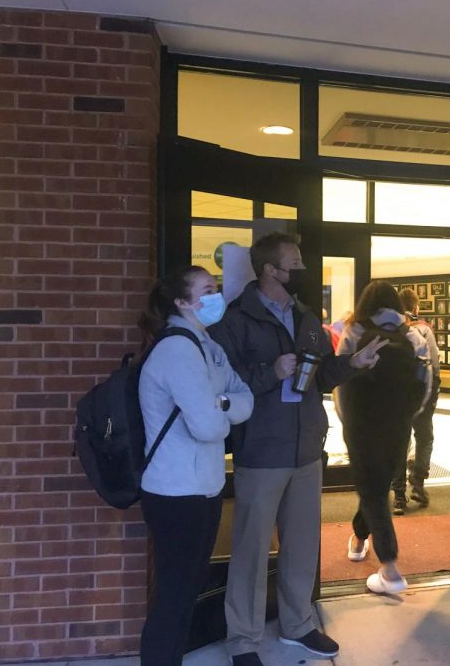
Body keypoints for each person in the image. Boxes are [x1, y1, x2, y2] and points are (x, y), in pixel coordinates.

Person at [208, 232, 386, 666]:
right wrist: (270, 371)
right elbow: (223, 383)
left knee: (303, 545)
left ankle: (298, 624)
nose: (302, 270)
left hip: (307, 449)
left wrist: (353, 365)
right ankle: (243, 640)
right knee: (250, 550)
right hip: (262, 449)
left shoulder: (306, 316)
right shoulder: (236, 320)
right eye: (294, 263)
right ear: (270, 270)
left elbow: (321, 377)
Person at [136, 265, 254, 666]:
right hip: (176, 494)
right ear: (183, 302)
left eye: (216, 287)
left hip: (202, 487)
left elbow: (245, 398)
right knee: (174, 595)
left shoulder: (207, 345)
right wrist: (221, 408)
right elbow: (206, 428)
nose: (216, 295)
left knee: (185, 591)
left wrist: (216, 402)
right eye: (207, 289)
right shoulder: (176, 349)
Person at [336, 281, 431, 594]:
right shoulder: (412, 334)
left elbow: (341, 379)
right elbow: (426, 381)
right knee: (377, 486)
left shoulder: (354, 332)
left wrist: (346, 418)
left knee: (372, 489)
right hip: (398, 424)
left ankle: (389, 568)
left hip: (361, 424)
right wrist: (408, 416)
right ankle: (359, 538)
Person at [391, 287, 441, 514]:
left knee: (400, 440)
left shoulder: (391, 329)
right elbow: (434, 365)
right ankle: (418, 483)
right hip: (421, 393)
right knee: (424, 436)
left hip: (398, 395)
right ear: (416, 307)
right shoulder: (424, 329)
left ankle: (399, 496)